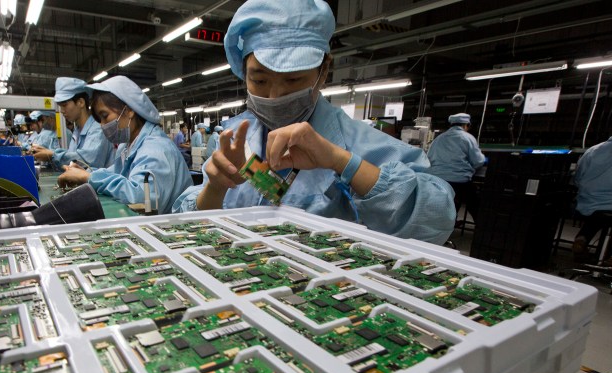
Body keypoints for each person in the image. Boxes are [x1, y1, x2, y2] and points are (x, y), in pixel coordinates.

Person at [172, 0, 455, 245]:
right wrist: (215, 187)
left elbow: (436, 220)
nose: (275, 95)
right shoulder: (237, 137)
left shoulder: (358, 142)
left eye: (293, 79)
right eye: (259, 80)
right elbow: (189, 225)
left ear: (325, 70)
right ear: (242, 72)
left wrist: (342, 162)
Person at [57, 76, 192, 214]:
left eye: (105, 116)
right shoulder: (127, 145)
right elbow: (115, 173)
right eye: (100, 119)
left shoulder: (156, 149)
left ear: (129, 111)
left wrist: (88, 178)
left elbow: (141, 198)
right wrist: (87, 173)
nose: (102, 125)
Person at [32, 77, 114, 170]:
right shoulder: (77, 130)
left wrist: (52, 155)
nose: (62, 111)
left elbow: (87, 161)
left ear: (81, 102)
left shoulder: (98, 129)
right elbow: (72, 161)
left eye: (64, 105)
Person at [427, 113, 486, 222]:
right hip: (459, 182)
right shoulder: (468, 138)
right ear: (466, 125)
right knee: (475, 205)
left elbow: (429, 158)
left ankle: (446, 226)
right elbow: (478, 161)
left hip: (438, 181)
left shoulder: (439, 138)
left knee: (448, 206)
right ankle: (483, 231)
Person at [572, 136, 612, 262]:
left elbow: (577, 178)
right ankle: (609, 256)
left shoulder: (593, 150)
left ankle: (583, 238)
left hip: (587, 202)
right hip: (609, 204)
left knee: (598, 215)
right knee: (605, 211)